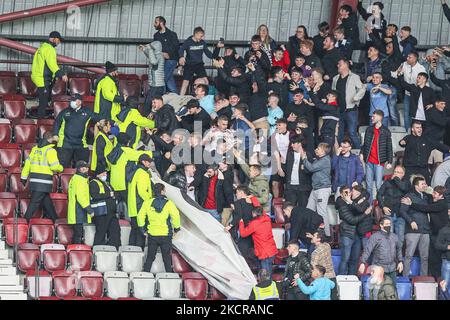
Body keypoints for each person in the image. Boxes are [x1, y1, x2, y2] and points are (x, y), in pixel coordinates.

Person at [402, 185, 448, 279]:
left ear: (441, 196)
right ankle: (434, 278)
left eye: (435, 193)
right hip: (434, 233)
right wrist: (426, 190)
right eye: (433, 193)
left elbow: (426, 208)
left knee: (437, 258)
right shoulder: (436, 200)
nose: (433, 195)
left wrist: (411, 204)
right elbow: (430, 201)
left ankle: (438, 278)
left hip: (441, 235)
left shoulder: (442, 203)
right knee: (432, 257)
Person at [21, 132, 63, 222]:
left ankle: (55, 220)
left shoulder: (35, 149)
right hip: (44, 181)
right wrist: (61, 168)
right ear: (50, 138)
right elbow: (54, 166)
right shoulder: (50, 150)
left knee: (47, 202)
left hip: (34, 180)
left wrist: (24, 177)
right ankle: (24, 221)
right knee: (34, 203)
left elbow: (27, 164)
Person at [139, 183, 180, 273]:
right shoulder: (169, 203)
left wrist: (143, 229)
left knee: (150, 257)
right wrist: (176, 229)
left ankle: (145, 276)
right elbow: (176, 216)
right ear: (162, 191)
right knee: (166, 259)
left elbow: (140, 216)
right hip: (165, 235)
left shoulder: (147, 203)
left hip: (152, 234)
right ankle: (169, 277)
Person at [53, 94, 100, 168]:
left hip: (80, 144)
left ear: (80, 102)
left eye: (74, 100)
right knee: (62, 167)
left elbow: (99, 119)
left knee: (82, 168)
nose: (72, 102)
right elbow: (57, 123)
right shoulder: (65, 112)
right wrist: (55, 134)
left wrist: (111, 123)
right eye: (71, 100)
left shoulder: (87, 112)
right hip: (65, 144)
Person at [336, 185, 372, 275]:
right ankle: (341, 279)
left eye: (350, 192)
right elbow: (352, 220)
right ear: (341, 195)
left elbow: (365, 192)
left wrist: (362, 199)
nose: (349, 194)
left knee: (355, 260)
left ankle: (352, 278)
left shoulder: (352, 201)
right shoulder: (341, 204)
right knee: (345, 259)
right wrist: (365, 213)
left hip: (357, 234)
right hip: (347, 234)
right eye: (346, 193)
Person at [400, 176, 432, 276]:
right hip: (412, 230)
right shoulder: (409, 196)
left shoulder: (427, 196)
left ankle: (423, 279)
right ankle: (405, 278)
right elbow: (402, 211)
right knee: (409, 255)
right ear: (416, 186)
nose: (425, 185)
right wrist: (411, 221)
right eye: (423, 184)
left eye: (425, 184)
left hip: (425, 229)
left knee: (425, 257)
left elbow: (429, 208)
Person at [31, 31, 67, 119]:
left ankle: (41, 121)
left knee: (45, 100)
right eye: (59, 40)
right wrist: (61, 74)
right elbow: (52, 64)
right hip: (43, 79)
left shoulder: (41, 48)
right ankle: (41, 124)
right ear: (54, 39)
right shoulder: (50, 49)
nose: (59, 42)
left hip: (38, 77)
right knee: (43, 104)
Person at [107, 133, 152, 205]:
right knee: (130, 205)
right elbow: (140, 155)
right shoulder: (126, 151)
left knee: (116, 206)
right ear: (126, 141)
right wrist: (158, 153)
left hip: (114, 183)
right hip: (124, 183)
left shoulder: (114, 150)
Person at [359, 217, 403, 287]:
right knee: (379, 293)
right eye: (386, 224)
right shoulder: (375, 237)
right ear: (381, 225)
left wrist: (400, 261)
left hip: (392, 269)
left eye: (389, 224)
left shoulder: (394, 236)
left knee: (392, 292)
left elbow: (398, 249)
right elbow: (367, 250)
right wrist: (362, 263)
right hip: (379, 269)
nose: (389, 226)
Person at [361, 110, 393, 202]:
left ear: (380, 118)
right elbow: (365, 144)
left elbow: (389, 148)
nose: (371, 118)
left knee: (379, 186)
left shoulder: (385, 131)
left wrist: (390, 161)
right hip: (369, 161)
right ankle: (369, 207)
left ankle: (380, 206)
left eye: (373, 116)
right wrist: (361, 153)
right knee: (368, 186)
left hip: (379, 162)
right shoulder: (369, 129)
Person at [333, 59, 366, 148]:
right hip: (338, 110)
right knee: (339, 134)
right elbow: (333, 93)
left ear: (346, 65)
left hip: (351, 109)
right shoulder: (335, 78)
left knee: (352, 133)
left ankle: (359, 152)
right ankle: (339, 153)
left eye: (339, 64)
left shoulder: (354, 77)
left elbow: (362, 89)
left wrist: (356, 98)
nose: (338, 66)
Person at [302, 143, 332, 236]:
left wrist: (304, 158)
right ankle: (309, 234)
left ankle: (327, 235)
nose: (315, 150)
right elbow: (310, 168)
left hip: (322, 189)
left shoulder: (325, 160)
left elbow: (311, 168)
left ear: (323, 151)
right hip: (315, 189)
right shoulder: (318, 160)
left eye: (318, 148)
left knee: (321, 212)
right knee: (308, 211)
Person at [377, 165, 411, 248]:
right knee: (387, 238)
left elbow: (403, 188)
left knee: (400, 239)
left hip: (400, 215)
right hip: (389, 214)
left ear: (403, 174)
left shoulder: (406, 183)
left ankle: (398, 259)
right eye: (395, 172)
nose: (395, 173)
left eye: (398, 172)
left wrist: (396, 179)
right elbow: (379, 195)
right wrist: (383, 207)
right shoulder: (388, 182)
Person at [239, 206, 278, 277]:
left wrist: (241, 223)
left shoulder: (254, 224)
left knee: (265, 277)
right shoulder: (267, 219)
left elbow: (243, 234)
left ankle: (266, 287)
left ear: (255, 214)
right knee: (269, 273)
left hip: (264, 253)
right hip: (272, 250)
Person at [393, 52, 426, 130]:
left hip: (417, 95)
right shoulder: (404, 64)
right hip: (407, 94)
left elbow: (424, 83)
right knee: (406, 113)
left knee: (416, 115)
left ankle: (416, 131)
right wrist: (398, 72)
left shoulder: (421, 68)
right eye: (407, 56)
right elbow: (395, 74)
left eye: (409, 57)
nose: (407, 58)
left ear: (415, 59)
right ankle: (407, 131)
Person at [127, 154, 154, 249]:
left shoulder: (135, 171)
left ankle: (131, 252)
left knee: (134, 231)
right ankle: (138, 253)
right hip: (140, 205)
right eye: (148, 161)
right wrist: (150, 201)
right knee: (140, 232)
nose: (150, 163)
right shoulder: (142, 173)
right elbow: (142, 191)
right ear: (143, 161)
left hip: (133, 206)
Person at [178, 26, 214, 95]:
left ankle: (207, 96)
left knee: (206, 81)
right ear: (196, 34)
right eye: (201, 36)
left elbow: (208, 53)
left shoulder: (202, 43)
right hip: (189, 65)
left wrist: (215, 58)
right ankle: (180, 98)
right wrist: (181, 57)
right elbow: (181, 50)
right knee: (185, 82)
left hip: (199, 64)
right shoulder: (188, 42)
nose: (201, 38)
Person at [89, 170, 121, 249]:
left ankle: (114, 250)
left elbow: (114, 193)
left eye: (105, 173)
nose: (105, 175)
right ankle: (97, 251)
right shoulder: (93, 183)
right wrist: (109, 194)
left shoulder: (107, 183)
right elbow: (94, 196)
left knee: (115, 231)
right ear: (97, 175)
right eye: (103, 173)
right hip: (101, 213)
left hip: (111, 212)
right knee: (101, 232)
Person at [281, 136, 312, 208]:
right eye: (291, 143)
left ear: (299, 144)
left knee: (302, 209)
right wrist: (281, 165)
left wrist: (305, 168)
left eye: (294, 143)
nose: (292, 145)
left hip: (303, 187)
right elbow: (287, 169)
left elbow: (310, 171)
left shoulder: (308, 155)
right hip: (290, 187)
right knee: (289, 209)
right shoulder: (290, 154)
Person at [68, 161, 93, 244]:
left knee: (77, 234)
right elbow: (81, 197)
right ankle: (77, 251)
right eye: (83, 168)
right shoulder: (80, 179)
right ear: (79, 169)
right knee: (79, 235)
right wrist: (89, 209)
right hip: (79, 211)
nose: (85, 169)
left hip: (76, 210)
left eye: (86, 167)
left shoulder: (75, 178)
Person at [153, 16, 180, 93]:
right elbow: (155, 48)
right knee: (169, 80)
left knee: (162, 79)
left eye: (156, 22)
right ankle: (175, 96)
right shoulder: (156, 36)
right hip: (161, 61)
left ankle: (160, 96)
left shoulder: (172, 34)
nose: (154, 24)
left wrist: (169, 55)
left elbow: (176, 47)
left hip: (171, 60)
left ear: (161, 23)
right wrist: (161, 54)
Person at [140, 41, 165, 115]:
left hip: (157, 86)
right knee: (150, 104)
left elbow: (153, 62)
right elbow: (150, 57)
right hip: (155, 86)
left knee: (148, 104)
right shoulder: (157, 55)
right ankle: (148, 120)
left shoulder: (159, 56)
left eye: (152, 47)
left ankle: (146, 120)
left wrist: (149, 49)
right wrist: (144, 49)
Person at [435, 213, 450, 289]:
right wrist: (447, 246)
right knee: (445, 287)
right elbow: (437, 245)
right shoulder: (444, 230)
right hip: (447, 262)